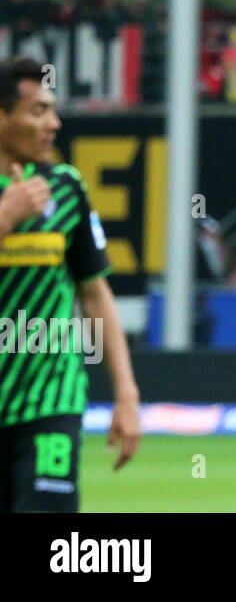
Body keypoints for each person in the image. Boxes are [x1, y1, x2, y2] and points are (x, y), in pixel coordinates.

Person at [0, 57, 140, 511]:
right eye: (38, 111)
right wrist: (6, 215)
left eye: (53, 110)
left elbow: (94, 292)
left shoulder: (66, 187)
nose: (53, 123)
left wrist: (126, 393)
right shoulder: (18, 201)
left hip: (51, 398)